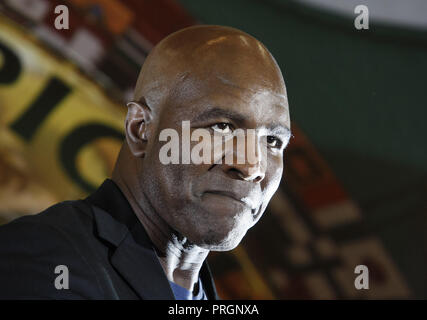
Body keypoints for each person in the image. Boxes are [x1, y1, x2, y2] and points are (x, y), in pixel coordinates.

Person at [0, 25, 291, 299]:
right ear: (140, 129)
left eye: (273, 141)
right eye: (222, 127)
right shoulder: (44, 261)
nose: (252, 166)